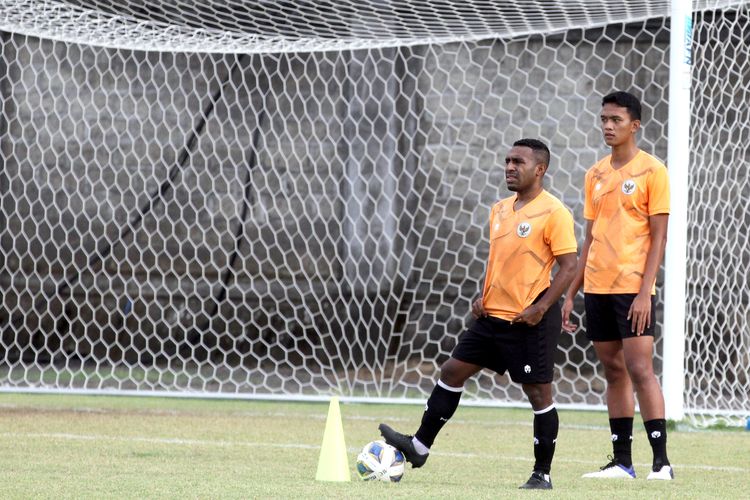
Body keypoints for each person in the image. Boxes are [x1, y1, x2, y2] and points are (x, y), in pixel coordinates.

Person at [379, 138, 577, 490]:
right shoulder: (500, 209)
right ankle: (419, 447)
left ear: (540, 169)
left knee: (538, 394)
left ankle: (541, 475)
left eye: (518, 162)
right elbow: (498, 260)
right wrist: (482, 296)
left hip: (528, 319)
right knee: (452, 371)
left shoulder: (554, 212)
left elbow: (569, 266)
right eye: (507, 161)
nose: (510, 167)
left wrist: (542, 307)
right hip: (491, 317)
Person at [561, 91, 673, 480]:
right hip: (597, 287)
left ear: (634, 125)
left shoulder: (652, 171)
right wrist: (572, 291)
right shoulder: (594, 174)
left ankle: (661, 463)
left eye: (616, 120)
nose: (608, 126)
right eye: (604, 119)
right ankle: (622, 462)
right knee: (612, 370)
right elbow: (589, 238)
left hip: (632, 287)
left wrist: (646, 290)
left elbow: (659, 237)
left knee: (641, 368)